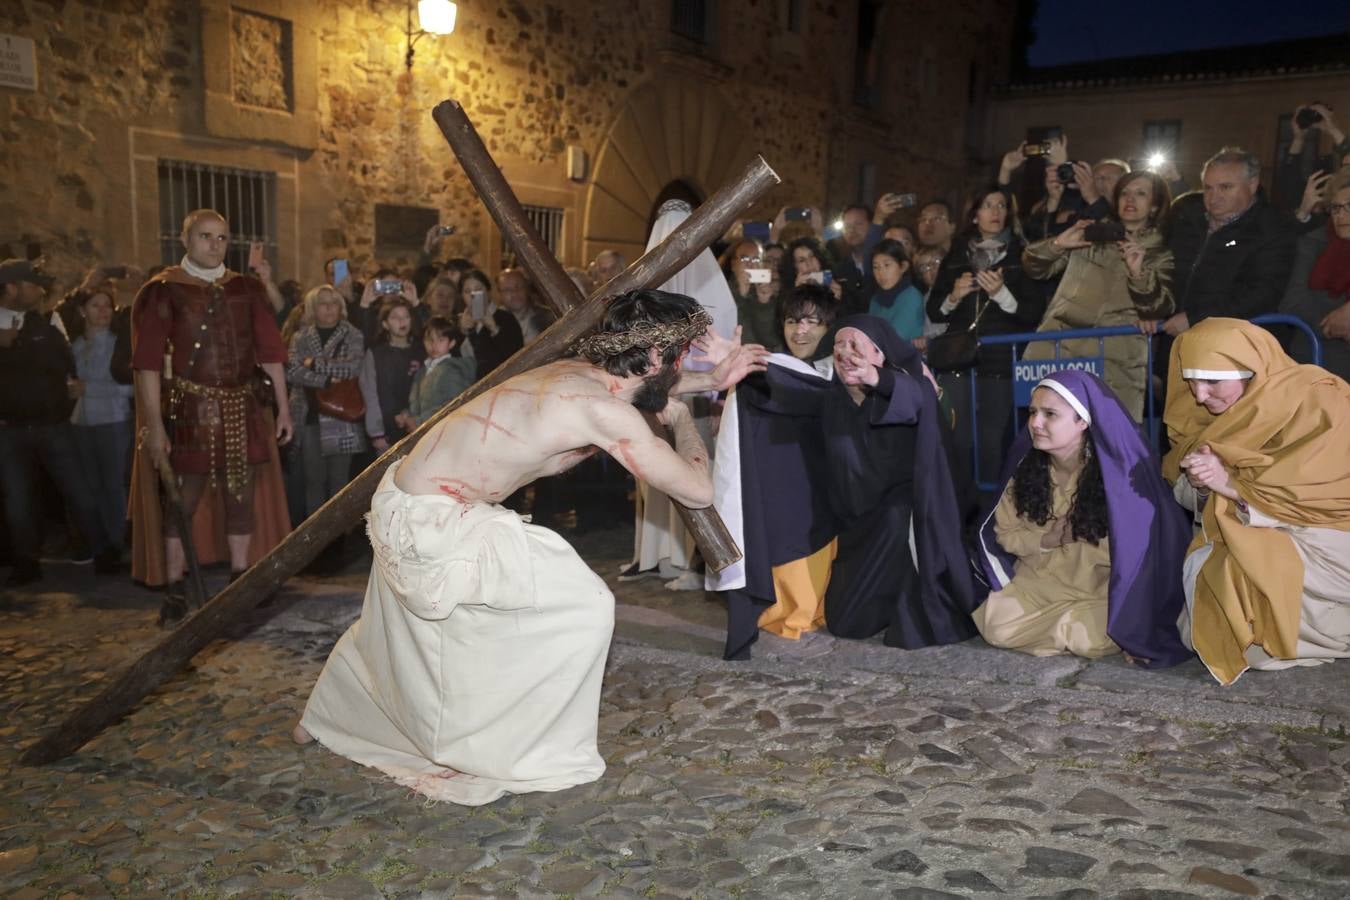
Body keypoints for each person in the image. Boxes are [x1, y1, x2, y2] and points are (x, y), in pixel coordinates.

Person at [293, 289, 766, 805]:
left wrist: (710, 382)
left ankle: (324, 720)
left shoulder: (579, 370)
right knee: (584, 608)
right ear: (653, 357)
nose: (680, 367)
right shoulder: (605, 412)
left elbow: (644, 391)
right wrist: (679, 420)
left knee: (401, 637)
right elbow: (697, 489)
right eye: (678, 359)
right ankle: (522, 749)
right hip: (433, 526)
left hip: (407, 499)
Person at [719, 314, 979, 656]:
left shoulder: (906, 387)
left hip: (906, 521)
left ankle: (908, 600)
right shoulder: (831, 398)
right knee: (846, 624)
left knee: (897, 522)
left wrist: (876, 378)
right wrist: (738, 365)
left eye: (855, 344)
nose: (844, 351)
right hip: (857, 528)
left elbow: (917, 399)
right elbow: (785, 388)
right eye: (839, 344)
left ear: (879, 354)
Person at [1163, 318, 1350, 685]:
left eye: (1213, 382)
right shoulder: (1202, 415)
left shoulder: (1322, 400)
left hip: (1327, 538)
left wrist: (1229, 485)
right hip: (1252, 534)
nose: (1200, 396)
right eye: (1191, 382)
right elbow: (1185, 491)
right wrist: (1202, 485)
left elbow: (1326, 495)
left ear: (1252, 372)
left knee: (1240, 571)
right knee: (1208, 611)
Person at [129, 210, 292, 622]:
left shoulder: (246, 289)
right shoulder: (164, 291)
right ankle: (175, 586)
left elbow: (271, 353)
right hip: (189, 411)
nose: (214, 245)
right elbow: (147, 364)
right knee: (182, 502)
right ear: (186, 239)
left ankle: (240, 577)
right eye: (205, 236)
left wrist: (284, 409)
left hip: (244, 409)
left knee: (242, 498)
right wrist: (154, 424)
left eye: (221, 238)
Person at [973, 371, 1191, 664]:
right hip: (1037, 588)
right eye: (1033, 412)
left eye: (1050, 414)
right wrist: (1048, 540)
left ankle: (1067, 634)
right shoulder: (1025, 470)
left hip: (1096, 596)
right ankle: (1064, 634)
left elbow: (1140, 558)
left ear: (1082, 422)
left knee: (1087, 637)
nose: (1035, 423)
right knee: (995, 627)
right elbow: (1006, 534)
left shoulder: (1119, 481)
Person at [623, 200, 740, 588]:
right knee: (653, 472)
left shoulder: (712, 288)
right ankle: (655, 553)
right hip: (655, 394)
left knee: (693, 472)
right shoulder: (644, 290)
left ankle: (696, 560)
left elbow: (719, 342)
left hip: (696, 400)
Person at [0, 259, 119, 585]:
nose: (40, 290)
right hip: (9, 429)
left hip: (53, 426)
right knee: (18, 499)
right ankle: (27, 562)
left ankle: (103, 551)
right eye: (32, 284)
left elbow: (67, 363)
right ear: (12, 288)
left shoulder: (45, 323)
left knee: (79, 491)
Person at [1022, 170, 1175, 420]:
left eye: (1140, 194)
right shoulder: (1091, 234)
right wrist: (1057, 244)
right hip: (1056, 353)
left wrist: (1138, 274)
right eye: (1124, 193)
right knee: (1049, 441)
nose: (1130, 199)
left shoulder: (1161, 253)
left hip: (1115, 364)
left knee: (1112, 446)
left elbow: (1159, 307)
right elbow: (1033, 268)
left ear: (1155, 205)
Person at [926, 185, 1045, 484]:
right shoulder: (957, 254)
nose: (995, 212)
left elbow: (1033, 312)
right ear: (975, 214)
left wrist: (1003, 295)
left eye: (1002, 205)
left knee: (992, 440)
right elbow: (935, 311)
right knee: (959, 438)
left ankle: (987, 510)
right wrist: (953, 296)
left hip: (1000, 361)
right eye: (988, 205)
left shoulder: (1022, 255)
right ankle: (960, 508)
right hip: (958, 359)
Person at [1163, 147, 1298, 337]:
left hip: (1233, 346)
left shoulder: (1272, 228)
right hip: (1173, 339)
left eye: (1225, 187)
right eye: (1208, 188)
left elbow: (1263, 293)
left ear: (1252, 184)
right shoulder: (1185, 213)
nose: (1214, 196)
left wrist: (1196, 319)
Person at [286, 284, 368, 519]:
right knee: (313, 480)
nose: (329, 309)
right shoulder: (301, 336)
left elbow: (352, 368)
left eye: (334, 303)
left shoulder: (352, 334)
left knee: (339, 482)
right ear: (313, 308)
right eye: (323, 304)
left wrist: (313, 364)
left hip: (342, 415)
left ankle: (338, 539)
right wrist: (324, 380)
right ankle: (315, 539)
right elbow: (292, 371)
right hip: (309, 415)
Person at [70, 285, 136, 552]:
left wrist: (90, 389)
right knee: (90, 485)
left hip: (114, 420)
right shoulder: (75, 345)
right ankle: (99, 543)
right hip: (81, 423)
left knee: (114, 485)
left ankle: (118, 540)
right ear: (82, 311)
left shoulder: (119, 344)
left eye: (107, 305)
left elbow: (131, 387)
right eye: (96, 305)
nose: (103, 311)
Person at [1279, 167, 1350, 381]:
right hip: (1317, 350)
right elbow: (1292, 302)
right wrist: (1333, 326)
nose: (1341, 215)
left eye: (1349, 207)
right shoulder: (1314, 243)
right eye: (1336, 208)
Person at [360, 297, 424, 453]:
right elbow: (370, 393)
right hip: (388, 429)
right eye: (395, 317)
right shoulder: (376, 354)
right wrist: (376, 433)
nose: (402, 322)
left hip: (418, 424)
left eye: (406, 316)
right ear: (385, 324)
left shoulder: (422, 349)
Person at [404, 316, 474, 427]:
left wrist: (419, 421)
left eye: (441, 340)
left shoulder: (451, 370)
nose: (434, 345)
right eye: (430, 340)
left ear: (451, 343)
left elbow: (454, 404)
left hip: (445, 430)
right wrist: (406, 415)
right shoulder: (423, 371)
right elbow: (416, 402)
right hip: (426, 431)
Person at [457, 268, 523, 380]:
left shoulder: (505, 318)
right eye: (467, 291)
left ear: (487, 291)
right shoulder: (458, 322)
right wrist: (464, 331)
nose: (473, 295)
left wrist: (495, 329)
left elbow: (516, 356)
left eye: (478, 289)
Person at [867, 238, 925, 347]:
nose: (881, 272)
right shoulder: (875, 299)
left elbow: (895, 337)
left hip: (906, 359)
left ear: (903, 266)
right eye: (876, 267)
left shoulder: (911, 296)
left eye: (887, 265)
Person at [498, 268, 555, 343]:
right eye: (507, 289)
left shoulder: (549, 317)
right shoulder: (494, 320)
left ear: (527, 288)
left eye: (519, 286)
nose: (515, 292)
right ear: (500, 294)